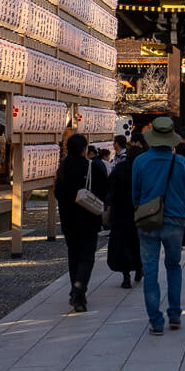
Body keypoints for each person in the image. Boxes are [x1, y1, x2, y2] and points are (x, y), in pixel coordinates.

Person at [131, 116, 185, 334]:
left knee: (150, 270)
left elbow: (135, 194)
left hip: (148, 219)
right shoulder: (181, 162)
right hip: (175, 218)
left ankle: (156, 321)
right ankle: (174, 314)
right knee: (173, 266)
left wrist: (141, 210)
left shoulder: (140, 161)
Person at [54, 134, 104, 312]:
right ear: (84, 148)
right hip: (88, 218)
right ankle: (78, 290)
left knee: (74, 254)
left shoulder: (63, 168)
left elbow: (57, 193)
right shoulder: (92, 167)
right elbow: (103, 191)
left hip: (69, 219)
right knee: (87, 256)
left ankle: (77, 292)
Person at [105, 128, 144, 289]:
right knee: (138, 243)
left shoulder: (119, 169)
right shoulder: (142, 170)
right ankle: (139, 268)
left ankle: (126, 275)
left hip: (120, 213)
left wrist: (108, 205)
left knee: (123, 245)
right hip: (138, 213)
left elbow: (110, 190)